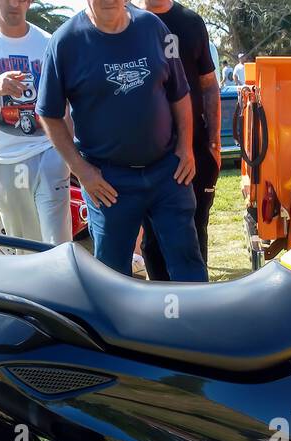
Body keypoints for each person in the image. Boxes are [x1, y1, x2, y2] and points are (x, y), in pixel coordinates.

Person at [37, 0, 207, 282]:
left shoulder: (155, 28)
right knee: (111, 275)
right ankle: (117, 328)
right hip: (108, 181)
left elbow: (179, 91)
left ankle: (193, 324)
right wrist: (82, 171)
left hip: (167, 172)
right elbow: (49, 114)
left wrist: (185, 147)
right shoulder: (64, 42)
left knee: (187, 262)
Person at [0, 0, 71, 245]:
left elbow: (67, 104)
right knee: (26, 246)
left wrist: (72, 157)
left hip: (49, 151)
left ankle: (62, 282)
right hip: (7, 159)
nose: (14, 4)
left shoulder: (48, 42)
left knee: (58, 244)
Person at [138, 0, 221, 281]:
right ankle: (162, 307)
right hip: (147, 155)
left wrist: (213, 144)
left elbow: (209, 86)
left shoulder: (190, 22)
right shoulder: (126, 22)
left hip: (194, 153)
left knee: (195, 233)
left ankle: (197, 307)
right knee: (153, 240)